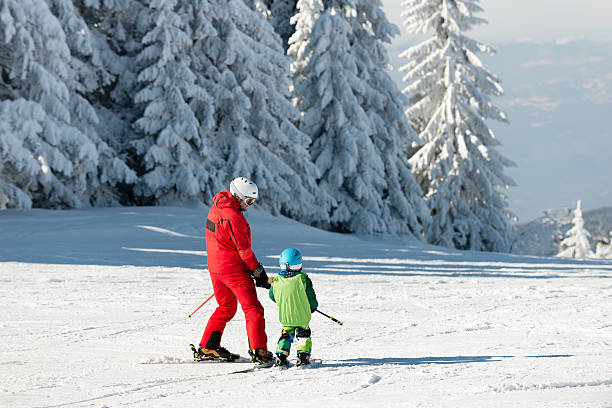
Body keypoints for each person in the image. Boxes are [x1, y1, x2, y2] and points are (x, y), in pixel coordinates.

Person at [193, 177, 274, 365]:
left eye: (253, 202)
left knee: (226, 307)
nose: (250, 205)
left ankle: (208, 347)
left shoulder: (217, 207)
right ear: (238, 197)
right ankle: (259, 351)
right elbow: (243, 250)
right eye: (248, 201)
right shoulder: (234, 217)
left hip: (216, 268)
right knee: (253, 309)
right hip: (232, 270)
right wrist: (257, 272)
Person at [268, 248, 318, 367]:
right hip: (302, 316)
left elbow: (272, 296)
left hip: (286, 316)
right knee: (303, 335)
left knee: (286, 334)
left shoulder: (276, 281)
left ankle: (281, 355)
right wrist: (313, 307)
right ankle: (303, 356)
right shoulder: (303, 279)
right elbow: (311, 296)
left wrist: (285, 301)